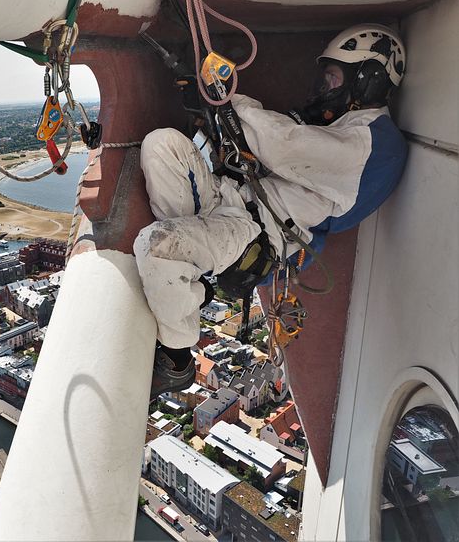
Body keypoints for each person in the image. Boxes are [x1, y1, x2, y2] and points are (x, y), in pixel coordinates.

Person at [135, 24, 408, 398]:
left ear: (367, 81)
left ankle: (177, 356)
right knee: (162, 145)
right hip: (238, 199)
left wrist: (226, 96)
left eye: (333, 78)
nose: (323, 88)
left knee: (159, 243)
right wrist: (217, 107)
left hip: (259, 232)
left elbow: (283, 145)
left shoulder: (375, 143)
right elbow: (283, 145)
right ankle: (191, 272)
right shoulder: (346, 128)